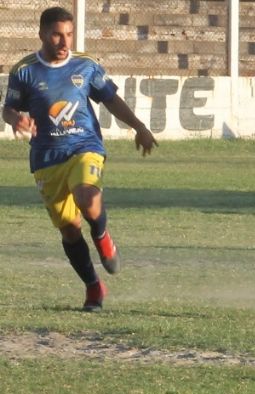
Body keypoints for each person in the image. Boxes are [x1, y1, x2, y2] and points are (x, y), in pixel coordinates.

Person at [2, 7, 157, 311]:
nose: (64, 41)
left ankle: (101, 235)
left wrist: (139, 127)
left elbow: (111, 98)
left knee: (87, 196)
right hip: (47, 158)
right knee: (70, 229)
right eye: (57, 34)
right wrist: (15, 120)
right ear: (42, 34)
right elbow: (8, 108)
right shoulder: (24, 71)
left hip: (84, 146)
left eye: (69, 34)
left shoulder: (85, 66)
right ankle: (94, 288)